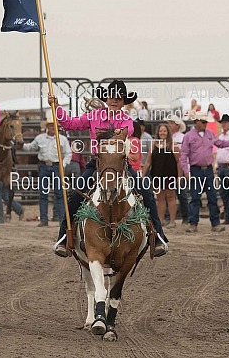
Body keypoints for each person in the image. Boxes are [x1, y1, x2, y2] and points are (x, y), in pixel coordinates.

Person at [49, 79, 167, 257]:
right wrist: (57, 107)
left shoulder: (126, 121)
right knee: (75, 195)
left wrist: (108, 138)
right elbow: (69, 124)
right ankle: (64, 237)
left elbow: (121, 137)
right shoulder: (93, 116)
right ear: (106, 99)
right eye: (112, 97)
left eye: (118, 99)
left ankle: (157, 235)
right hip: (97, 163)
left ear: (123, 102)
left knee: (147, 193)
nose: (114, 101)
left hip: (120, 165)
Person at [180, 112, 229, 233]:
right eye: (203, 122)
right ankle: (194, 223)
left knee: (212, 197)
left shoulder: (209, 134)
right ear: (196, 122)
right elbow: (183, 155)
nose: (205, 124)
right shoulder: (188, 136)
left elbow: (221, 144)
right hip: (196, 169)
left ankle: (214, 223)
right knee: (195, 197)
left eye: (205, 122)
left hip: (207, 169)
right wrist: (186, 171)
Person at [23, 115, 71, 226]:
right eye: (51, 125)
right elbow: (31, 147)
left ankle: (61, 219)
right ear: (47, 127)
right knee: (43, 194)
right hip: (44, 166)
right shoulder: (40, 138)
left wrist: (63, 164)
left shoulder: (62, 139)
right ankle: (44, 220)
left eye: (54, 125)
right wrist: (21, 145)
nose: (53, 127)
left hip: (56, 166)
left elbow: (68, 154)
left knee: (59, 194)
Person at [143, 124, 182, 229]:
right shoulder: (153, 145)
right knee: (160, 198)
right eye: (161, 131)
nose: (162, 133)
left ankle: (172, 221)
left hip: (170, 175)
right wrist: (142, 175)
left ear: (168, 132)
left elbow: (179, 162)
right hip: (157, 175)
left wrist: (179, 176)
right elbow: (147, 162)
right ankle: (161, 220)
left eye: (164, 131)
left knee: (170, 196)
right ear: (158, 133)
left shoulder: (173, 145)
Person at [167, 114, 190, 224]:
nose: (170, 125)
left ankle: (186, 216)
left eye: (172, 123)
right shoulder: (168, 138)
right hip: (170, 167)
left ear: (177, 126)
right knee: (169, 193)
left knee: (181, 194)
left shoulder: (182, 138)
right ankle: (169, 216)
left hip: (179, 166)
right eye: (169, 123)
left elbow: (183, 154)